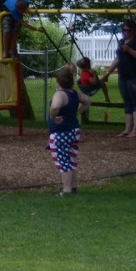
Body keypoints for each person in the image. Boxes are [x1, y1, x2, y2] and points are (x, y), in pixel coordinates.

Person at [103, 19, 136, 138]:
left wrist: (129, 50)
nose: (126, 32)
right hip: (123, 75)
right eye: (124, 30)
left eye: (128, 30)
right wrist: (108, 73)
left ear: (134, 30)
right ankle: (128, 129)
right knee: (127, 102)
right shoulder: (122, 41)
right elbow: (118, 59)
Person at [48, 65, 87, 195]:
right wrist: (77, 111)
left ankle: (66, 189)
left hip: (61, 132)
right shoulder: (75, 93)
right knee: (71, 159)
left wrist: (53, 117)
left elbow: (54, 107)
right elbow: (88, 101)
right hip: (74, 131)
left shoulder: (60, 94)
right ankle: (73, 187)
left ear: (58, 82)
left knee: (62, 160)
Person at [76, 56, 109, 123]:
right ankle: (106, 97)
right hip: (90, 90)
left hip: (89, 88)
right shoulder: (86, 74)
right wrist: (94, 74)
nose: (91, 64)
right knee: (103, 82)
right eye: (90, 63)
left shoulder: (84, 73)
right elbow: (94, 82)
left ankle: (105, 80)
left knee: (104, 80)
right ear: (87, 65)